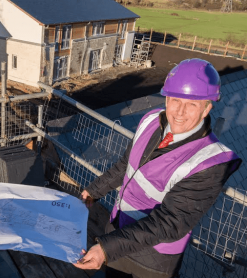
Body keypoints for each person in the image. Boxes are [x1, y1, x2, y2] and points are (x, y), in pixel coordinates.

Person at [74, 58, 242, 278]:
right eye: (175, 100)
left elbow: (170, 222)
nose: (180, 112)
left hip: (151, 260)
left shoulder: (210, 162)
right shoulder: (150, 120)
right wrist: (93, 192)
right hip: (116, 233)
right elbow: (127, 164)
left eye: (192, 104)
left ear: (206, 109)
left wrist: (107, 248)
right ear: (166, 100)